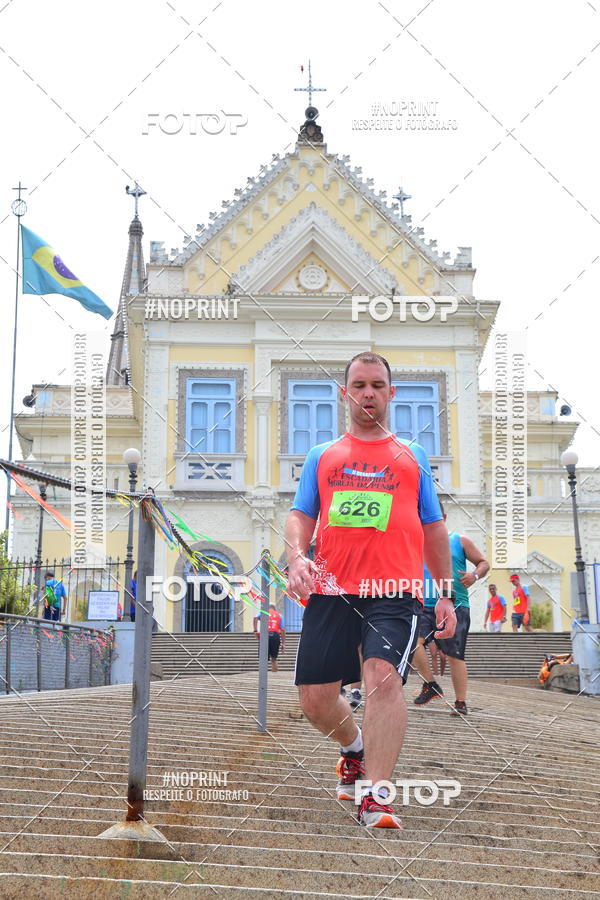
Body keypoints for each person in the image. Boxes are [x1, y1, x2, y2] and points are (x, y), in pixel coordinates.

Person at [285, 351, 455, 829]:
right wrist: (299, 557)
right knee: (315, 699)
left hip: (394, 589)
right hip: (332, 589)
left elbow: (434, 529)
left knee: (383, 677)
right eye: (359, 385)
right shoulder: (323, 456)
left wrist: (444, 594)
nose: (368, 394)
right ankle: (354, 749)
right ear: (346, 393)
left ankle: (376, 796)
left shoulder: (411, 457)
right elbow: (301, 516)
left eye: (377, 385)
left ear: (391, 393)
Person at [413, 506, 489, 716]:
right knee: (412, 645)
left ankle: (460, 702)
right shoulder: (414, 542)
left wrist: (474, 575)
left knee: (454, 656)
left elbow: (483, 563)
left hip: (455, 604)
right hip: (422, 604)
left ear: (444, 518)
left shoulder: (459, 540)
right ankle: (431, 684)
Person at [253, 604, 286, 672]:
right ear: (275, 609)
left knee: (263, 658)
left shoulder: (263, 612)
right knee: (274, 658)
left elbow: (255, 618)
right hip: (275, 636)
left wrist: (255, 630)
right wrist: (283, 643)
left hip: (264, 635)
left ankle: (262, 676)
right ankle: (274, 674)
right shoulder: (279, 615)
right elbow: (282, 629)